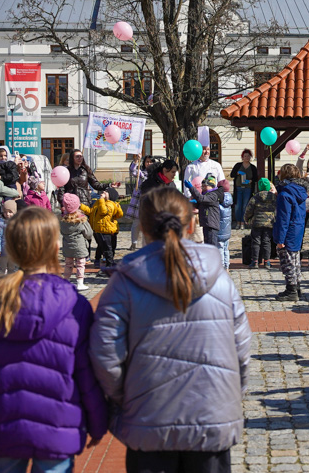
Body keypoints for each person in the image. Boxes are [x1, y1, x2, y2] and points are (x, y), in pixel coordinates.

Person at [89, 187, 252, 471]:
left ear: (143, 226)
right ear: (192, 224)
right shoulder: (221, 281)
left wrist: (125, 399)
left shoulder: (124, 283)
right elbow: (241, 351)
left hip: (148, 416)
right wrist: (230, 397)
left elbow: (106, 355)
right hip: (210, 415)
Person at [0, 206, 108, 470]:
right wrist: (98, 422)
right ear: (55, 247)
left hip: (4, 425)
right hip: (58, 429)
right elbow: (88, 374)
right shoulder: (75, 305)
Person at [273, 164, 308, 301]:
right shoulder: (299, 190)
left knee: (287, 262)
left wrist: (280, 240)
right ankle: (297, 287)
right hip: (298, 228)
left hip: (288, 231)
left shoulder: (285, 194)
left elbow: (283, 219)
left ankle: (291, 290)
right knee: (295, 260)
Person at [84, 187, 123, 276]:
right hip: (101, 229)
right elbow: (91, 211)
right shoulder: (100, 202)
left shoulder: (109, 204)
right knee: (106, 247)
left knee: (108, 249)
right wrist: (81, 206)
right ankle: (110, 264)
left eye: (106, 192)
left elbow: (103, 211)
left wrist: (101, 200)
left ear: (110, 196)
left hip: (107, 230)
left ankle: (109, 267)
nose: (103, 192)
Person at [60, 193, 94, 291]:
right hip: (79, 246)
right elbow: (89, 234)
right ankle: (80, 283)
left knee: (68, 264)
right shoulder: (81, 220)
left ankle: (66, 281)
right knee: (80, 264)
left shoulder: (63, 220)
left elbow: (62, 232)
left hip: (67, 246)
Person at [244, 178, 277, 269]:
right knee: (267, 242)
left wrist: (246, 218)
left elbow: (249, 210)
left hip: (257, 223)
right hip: (269, 223)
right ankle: (267, 261)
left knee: (256, 242)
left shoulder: (255, 197)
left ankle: (255, 261)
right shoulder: (273, 197)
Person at [185, 174, 225, 246]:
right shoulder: (206, 195)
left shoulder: (213, 195)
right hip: (206, 224)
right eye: (202, 186)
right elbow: (201, 203)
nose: (202, 188)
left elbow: (202, 199)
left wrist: (191, 188)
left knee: (211, 246)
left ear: (211, 186)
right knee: (207, 245)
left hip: (211, 226)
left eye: (205, 186)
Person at [126, 155, 154, 250]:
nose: (149, 163)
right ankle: (134, 243)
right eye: (147, 161)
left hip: (151, 203)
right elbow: (133, 171)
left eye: (150, 162)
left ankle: (148, 243)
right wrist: (136, 161)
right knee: (136, 223)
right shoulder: (141, 173)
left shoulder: (156, 175)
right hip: (140, 202)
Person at [231, 149, 258, 230]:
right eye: (245, 156)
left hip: (248, 189)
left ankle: (243, 223)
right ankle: (238, 223)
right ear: (242, 157)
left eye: (248, 156)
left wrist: (251, 181)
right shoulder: (238, 165)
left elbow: (256, 178)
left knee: (245, 206)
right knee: (238, 206)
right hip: (238, 188)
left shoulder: (253, 167)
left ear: (250, 157)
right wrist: (237, 173)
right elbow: (232, 174)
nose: (246, 157)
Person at [0, 200, 17, 277]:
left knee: (12, 268)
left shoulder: (17, 222)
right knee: (2, 268)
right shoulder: (0, 223)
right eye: (5, 212)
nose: (7, 214)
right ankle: (1, 283)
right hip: (3, 251)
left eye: (10, 212)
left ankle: (11, 284)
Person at [217, 180, 234, 270]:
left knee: (220, 248)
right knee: (226, 248)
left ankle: (222, 266)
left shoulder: (220, 200)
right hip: (227, 230)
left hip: (220, 230)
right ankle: (227, 265)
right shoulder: (229, 199)